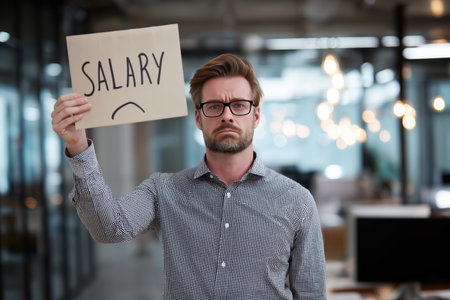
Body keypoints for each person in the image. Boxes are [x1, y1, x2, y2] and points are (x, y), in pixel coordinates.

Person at [51, 53, 326, 299]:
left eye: (239, 105)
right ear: (198, 118)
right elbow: (108, 229)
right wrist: (77, 145)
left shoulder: (297, 201)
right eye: (214, 106)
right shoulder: (164, 190)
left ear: (255, 116)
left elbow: (311, 294)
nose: (227, 116)